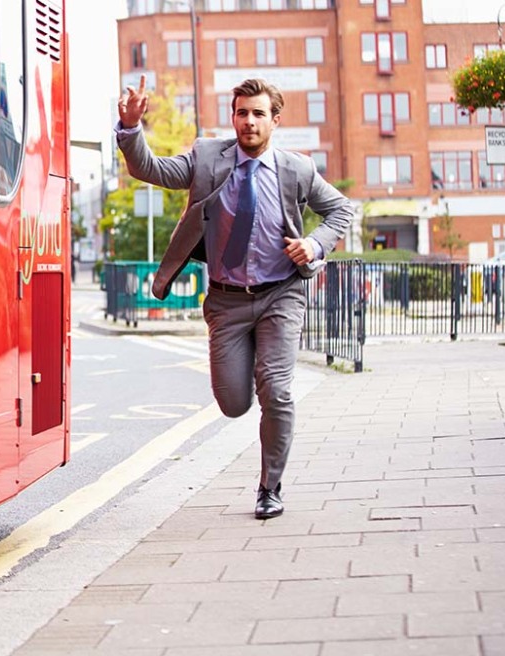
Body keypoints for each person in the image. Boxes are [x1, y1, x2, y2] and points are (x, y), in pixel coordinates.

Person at [115, 77, 354, 519]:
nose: (249, 121)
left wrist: (316, 244)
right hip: (226, 301)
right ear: (233, 117)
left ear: (275, 120)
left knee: (277, 390)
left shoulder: (296, 170)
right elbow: (153, 170)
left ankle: (270, 487)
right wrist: (131, 130)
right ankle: (248, 404)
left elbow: (340, 209)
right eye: (242, 112)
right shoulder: (208, 157)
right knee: (233, 402)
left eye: (259, 113)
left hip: (282, 293)